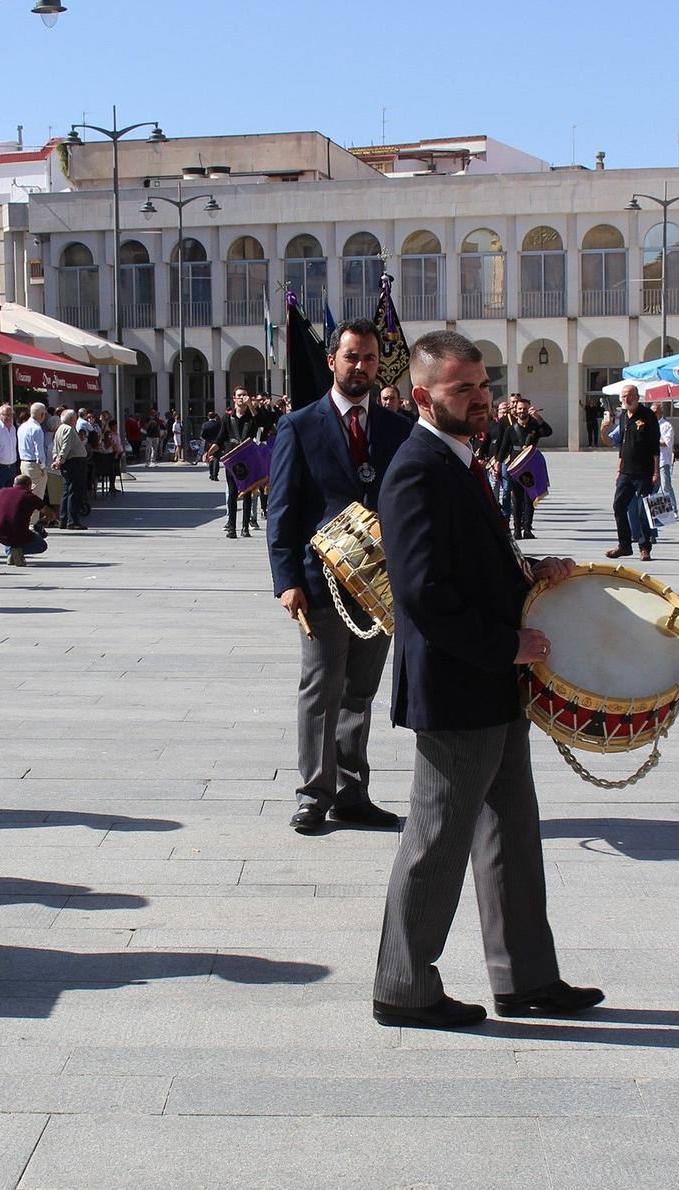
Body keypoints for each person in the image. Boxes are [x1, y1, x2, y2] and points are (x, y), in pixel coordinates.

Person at [371, 330, 602, 1029]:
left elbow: (470, 564)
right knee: (438, 839)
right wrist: (507, 644)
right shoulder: (416, 468)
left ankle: (526, 978)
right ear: (420, 396)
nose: (480, 401)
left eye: (483, 386)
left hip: (493, 683)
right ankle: (402, 987)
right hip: (457, 687)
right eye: (461, 390)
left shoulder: (462, 462)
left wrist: (532, 571)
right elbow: (423, 593)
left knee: (512, 833)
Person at [266, 319, 411, 835]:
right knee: (320, 686)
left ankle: (351, 793)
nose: (361, 366)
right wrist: (286, 579)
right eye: (352, 357)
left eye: (370, 358)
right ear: (333, 361)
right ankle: (313, 792)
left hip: (380, 585)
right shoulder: (300, 425)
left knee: (360, 691)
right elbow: (280, 510)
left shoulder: (399, 428)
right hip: (321, 580)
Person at [603, 384, 661, 561]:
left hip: (644, 472)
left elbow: (655, 447)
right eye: (623, 397)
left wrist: (656, 473)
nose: (626, 399)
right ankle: (624, 545)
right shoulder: (623, 417)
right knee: (619, 506)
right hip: (626, 472)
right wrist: (619, 469)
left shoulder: (648, 416)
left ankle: (645, 547)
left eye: (629, 396)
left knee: (643, 510)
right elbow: (620, 446)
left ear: (637, 397)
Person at [492, 396, 551, 539]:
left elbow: (548, 432)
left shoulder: (535, 426)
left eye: (525, 409)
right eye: (519, 409)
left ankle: (527, 528)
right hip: (515, 466)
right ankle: (517, 529)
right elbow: (504, 448)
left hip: (530, 465)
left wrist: (538, 417)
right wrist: (498, 463)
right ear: (515, 411)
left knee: (530, 498)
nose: (522, 411)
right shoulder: (510, 430)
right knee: (517, 499)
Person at [211, 391, 264, 539]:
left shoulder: (251, 416)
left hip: (247, 458)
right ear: (234, 398)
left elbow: (260, 423)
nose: (242, 397)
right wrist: (211, 450)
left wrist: (251, 406)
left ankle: (245, 527)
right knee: (233, 492)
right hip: (232, 459)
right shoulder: (227, 417)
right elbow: (221, 437)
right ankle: (232, 527)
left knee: (247, 492)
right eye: (239, 395)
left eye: (245, 395)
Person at [0, 473, 48, 565]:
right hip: (20, 535)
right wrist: (43, 521)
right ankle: (15, 551)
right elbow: (50, 513)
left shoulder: (2, 491)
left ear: (14, 484)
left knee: (10, 535)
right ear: (29, 486)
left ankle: (12, 552)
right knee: (41, 545)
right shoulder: (29, 496)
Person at [52, 408, 90, 530]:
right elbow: (65, 446)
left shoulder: (60, 429)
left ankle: (63, 519)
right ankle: (72, 521)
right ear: (73, 419)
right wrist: (59, 460)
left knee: (67, 491)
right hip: (74, 463)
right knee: (74, 491)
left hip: (69, 463)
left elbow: (55, 447)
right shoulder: (68, 429)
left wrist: (56, 459)